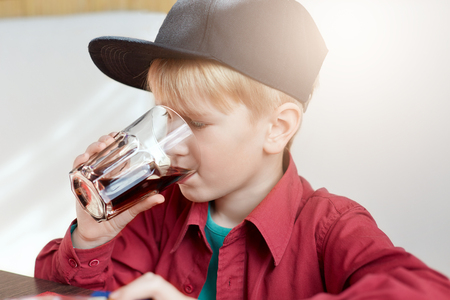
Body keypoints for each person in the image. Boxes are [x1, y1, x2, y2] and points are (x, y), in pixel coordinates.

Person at [35, 0, 450, 299]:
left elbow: (428, 291)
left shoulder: (330, 228)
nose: (168, 146)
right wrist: (92, 236)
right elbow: (68, 292)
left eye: (195, 123)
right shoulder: (155, 211)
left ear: (277, 128)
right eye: (164, 117)